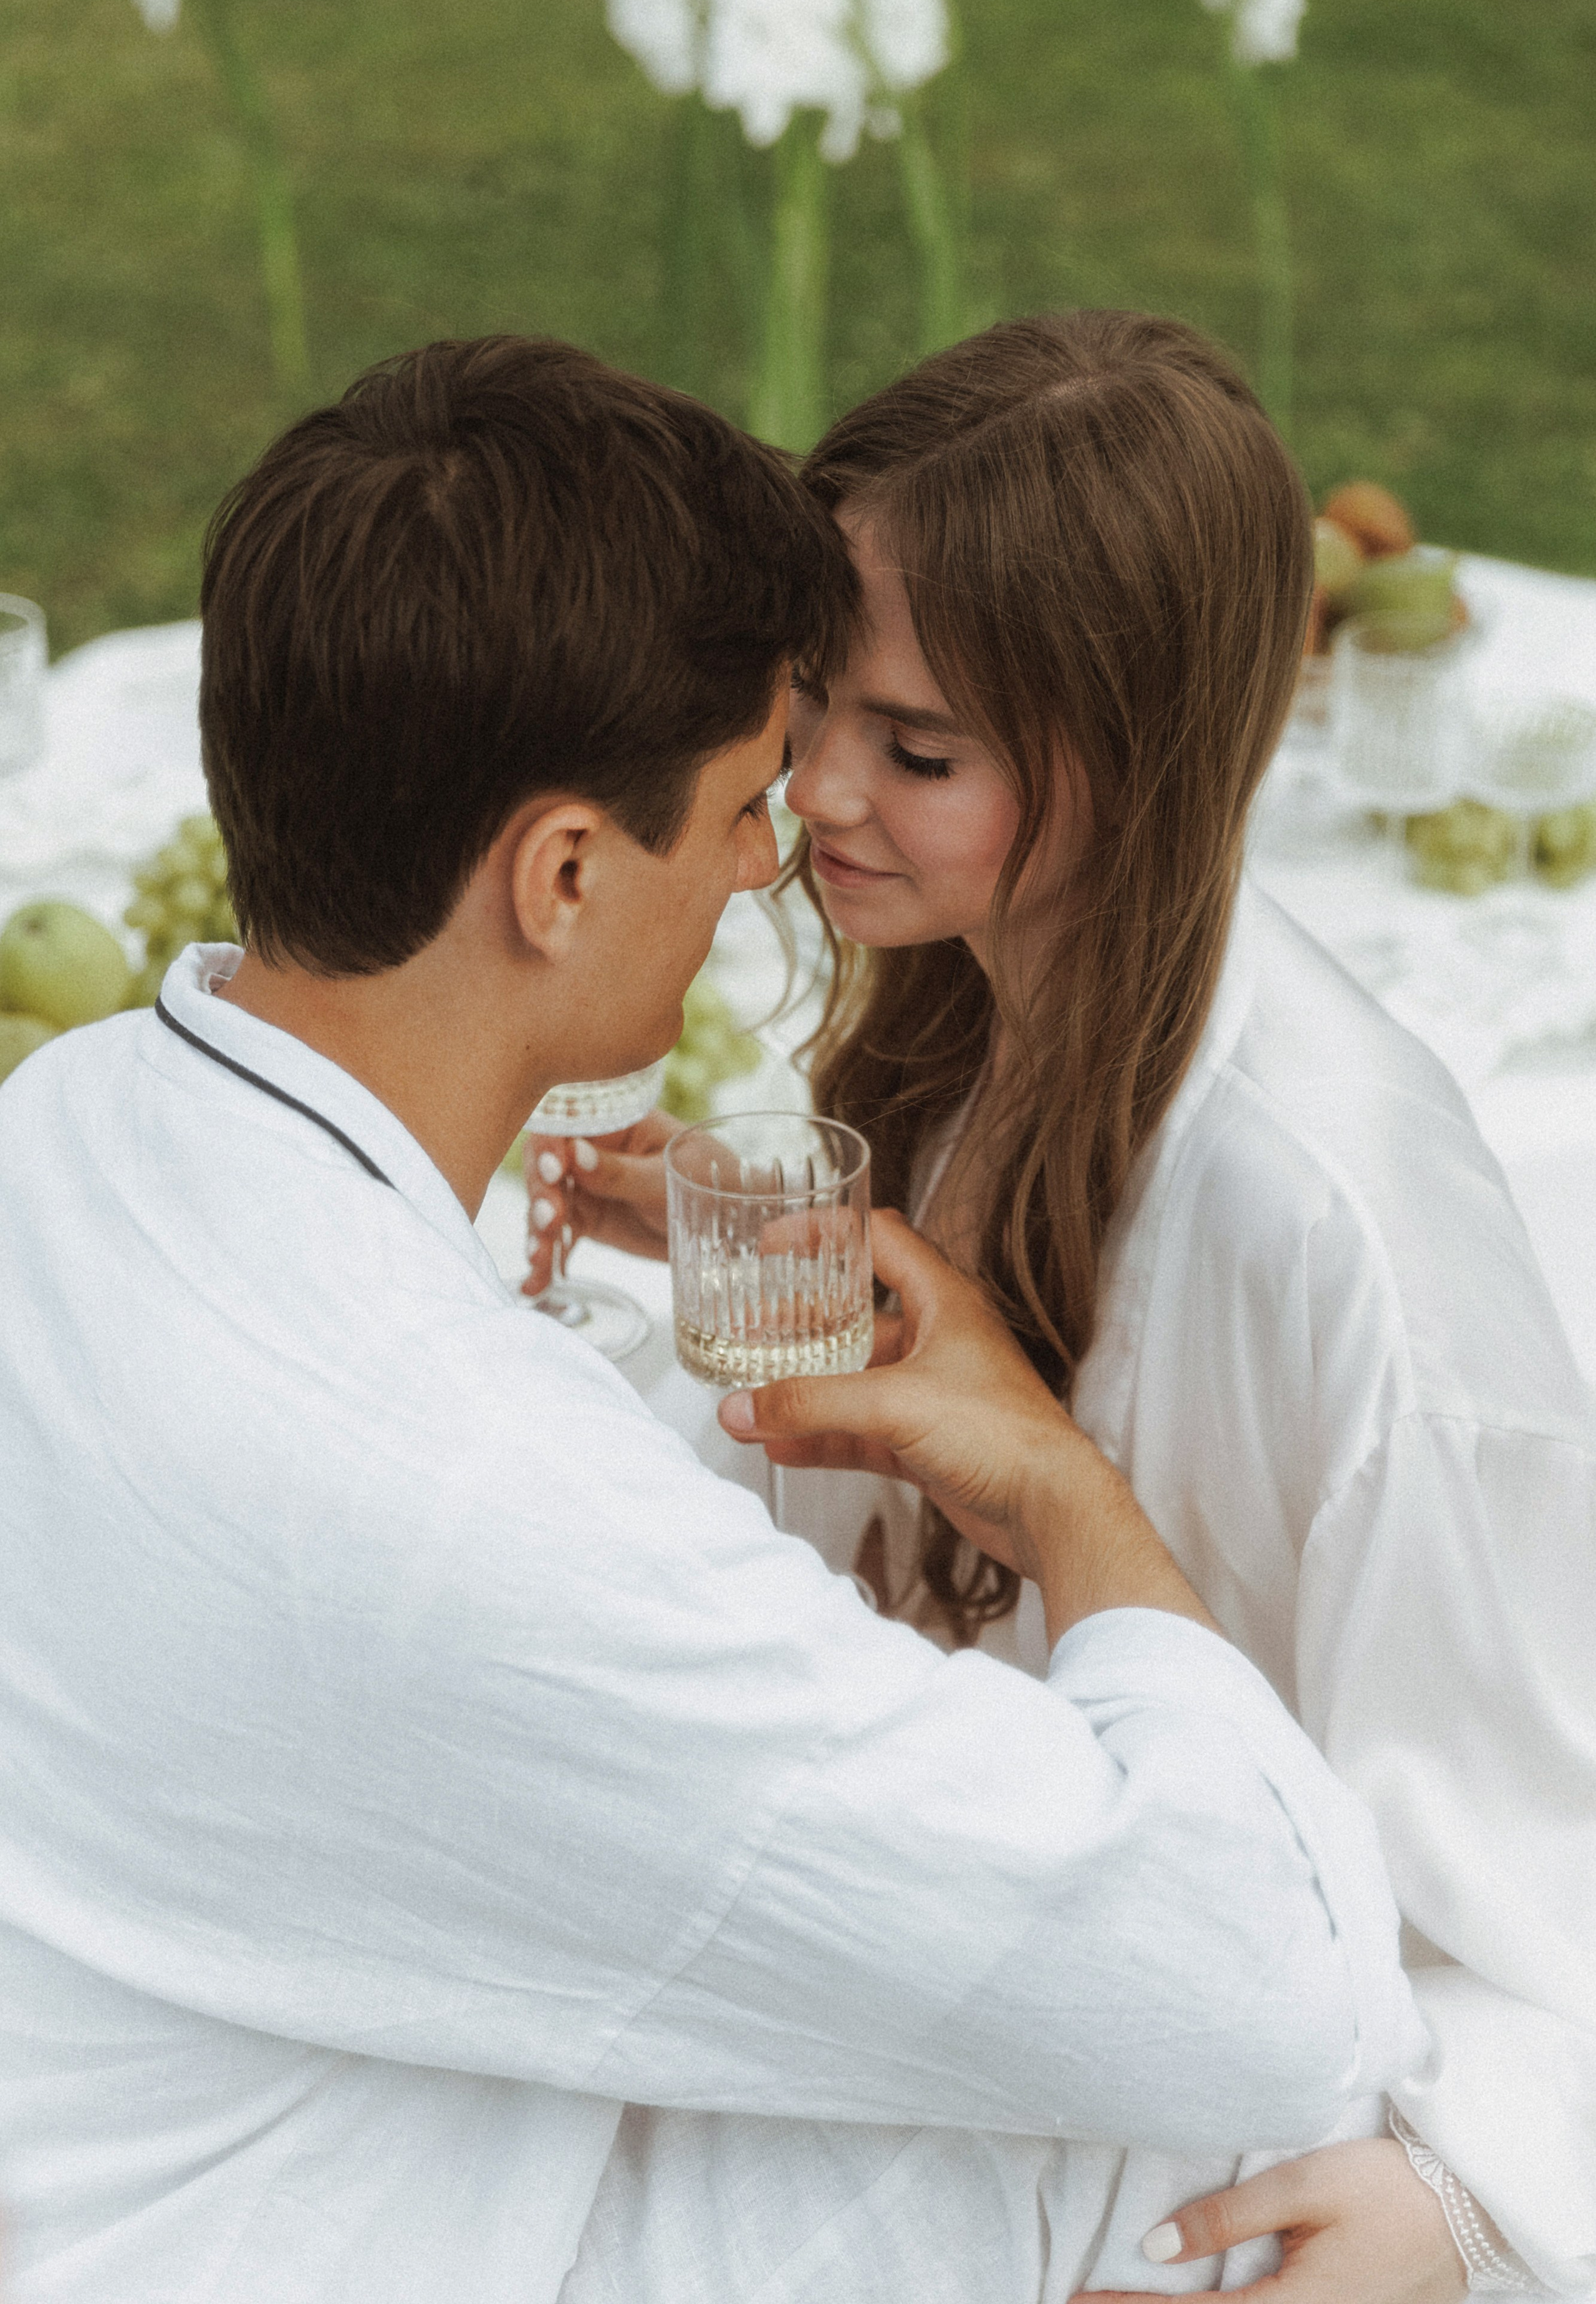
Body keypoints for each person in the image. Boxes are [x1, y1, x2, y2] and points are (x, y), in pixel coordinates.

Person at [0, 337, 1423, 2304]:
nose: (786, 856)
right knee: (1229, 2159)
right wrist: (1056, 1480)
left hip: (144, 2096)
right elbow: (1264, 1979)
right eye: (754, 797)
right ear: (564, 873)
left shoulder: (66, 1120)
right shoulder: (487, 1506)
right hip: (292, 2225)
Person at [529, 314, 1596, 2302]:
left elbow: (1543, 1865)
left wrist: (1459, 2202)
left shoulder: (1340, 1238)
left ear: (1144, 758)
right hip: (991, 1946)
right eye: (816, 704)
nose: (820, 792)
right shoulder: (967, 1005)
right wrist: (765, 1266)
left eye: (919, 753)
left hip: (1220, 2078)